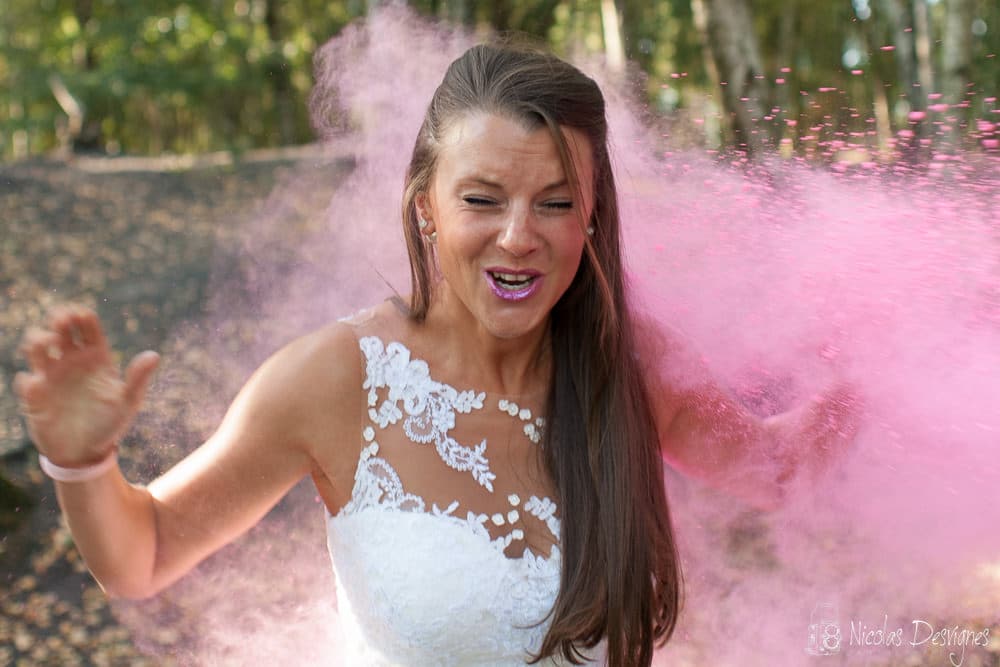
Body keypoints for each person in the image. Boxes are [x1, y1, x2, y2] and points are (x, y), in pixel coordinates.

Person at [13, 42, 857, 666]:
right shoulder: (334, 378)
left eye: (556, 202)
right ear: (426, 209)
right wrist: (81, 462)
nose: (519, 238)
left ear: (593, 214)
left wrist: (884, 365)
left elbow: (778, 466)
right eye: (482, 199)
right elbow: (147, 549)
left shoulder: (633, 362)